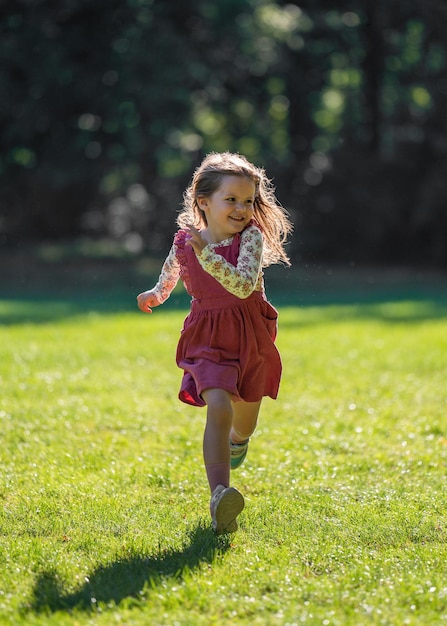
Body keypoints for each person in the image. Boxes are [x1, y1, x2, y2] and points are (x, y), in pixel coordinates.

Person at [137, 152, 292, 534]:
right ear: (203, 202)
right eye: (232, 200)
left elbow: (241, 286)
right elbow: (173, 268)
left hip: (248, 335)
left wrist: (207, 255)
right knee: (218, 405)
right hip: (207, 336)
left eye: (248, 201)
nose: (242, 209)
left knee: (244, 422)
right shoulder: (186, 240)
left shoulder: (250, 238)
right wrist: (157, 293)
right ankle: (220, 497)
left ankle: (239, 442)